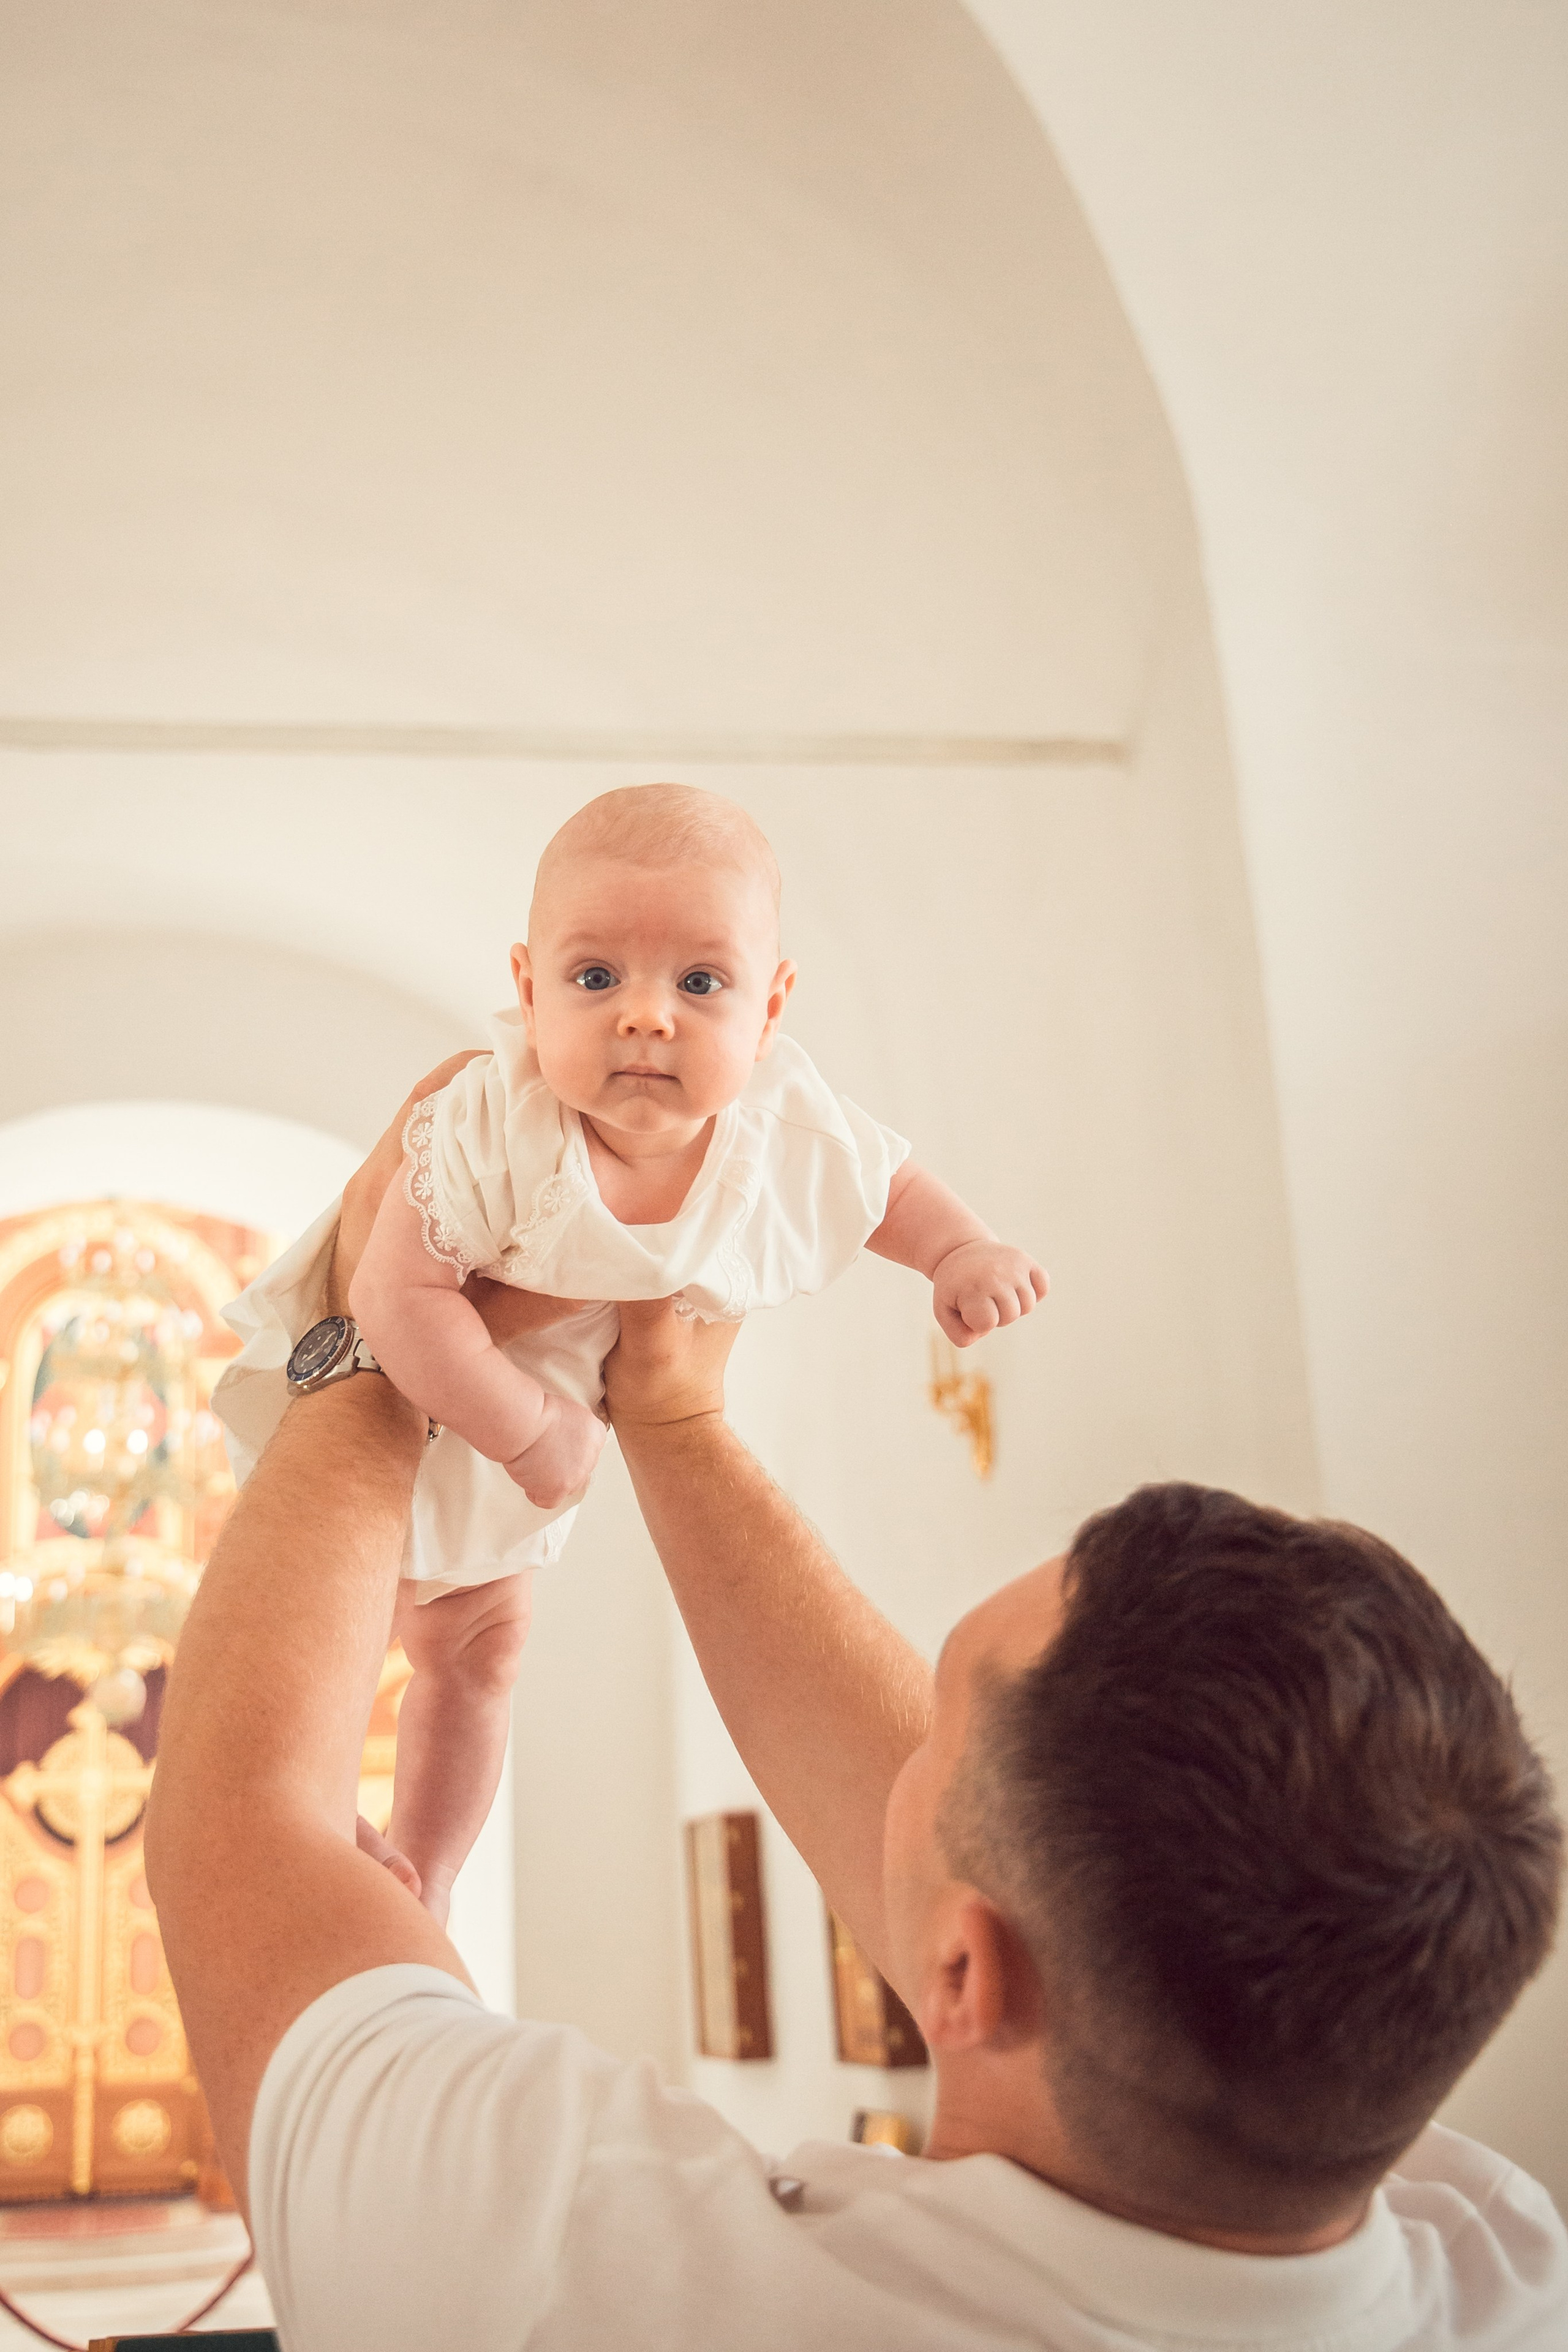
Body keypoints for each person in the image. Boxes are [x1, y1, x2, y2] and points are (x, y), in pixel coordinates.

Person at [146, 1071, 1567, 2352]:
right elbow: (1064, 1892)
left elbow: (246, 1834)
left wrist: (364, 1332)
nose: (896, 1753)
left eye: (932, 1728)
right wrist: (675, 1421)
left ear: (962, 1977)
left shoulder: (574, 2279)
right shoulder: (1492, 2259)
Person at [211, 785, 1045, 1922]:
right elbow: (393, 1297)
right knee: (333, 1636)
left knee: (480, 1661)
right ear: (527, 989)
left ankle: (429, 1869)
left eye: (700, 983)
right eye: (596, 978)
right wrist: (524, 1429)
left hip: (530, 1457)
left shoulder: (784, 1126)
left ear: (771, 1006)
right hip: (413, 1410)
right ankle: (307, 1816)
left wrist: (960, 1251)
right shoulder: (491, 1121)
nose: (646, 1016)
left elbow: (881, 1184)